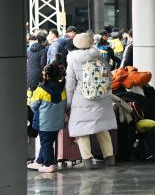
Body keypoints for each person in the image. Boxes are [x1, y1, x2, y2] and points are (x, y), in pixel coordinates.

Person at [65, 32, 117, 169]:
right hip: (102, 98)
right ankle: (109, 157)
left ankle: (87, 160)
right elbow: (109, 78)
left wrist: (68, 103)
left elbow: (70, 84)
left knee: (82, 131)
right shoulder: (100, 57)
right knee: (102, 129)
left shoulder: (73, 60)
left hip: (81, 99)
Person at [27, 63, 67, 173]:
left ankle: (49, 164)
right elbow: (65, 104)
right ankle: (39, 161)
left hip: (44, 123)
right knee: (47, 141)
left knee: (46, 143)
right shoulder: (62, 89)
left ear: (47, 75)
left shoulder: (40, 89)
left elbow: (33, 105)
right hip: (57, 123)